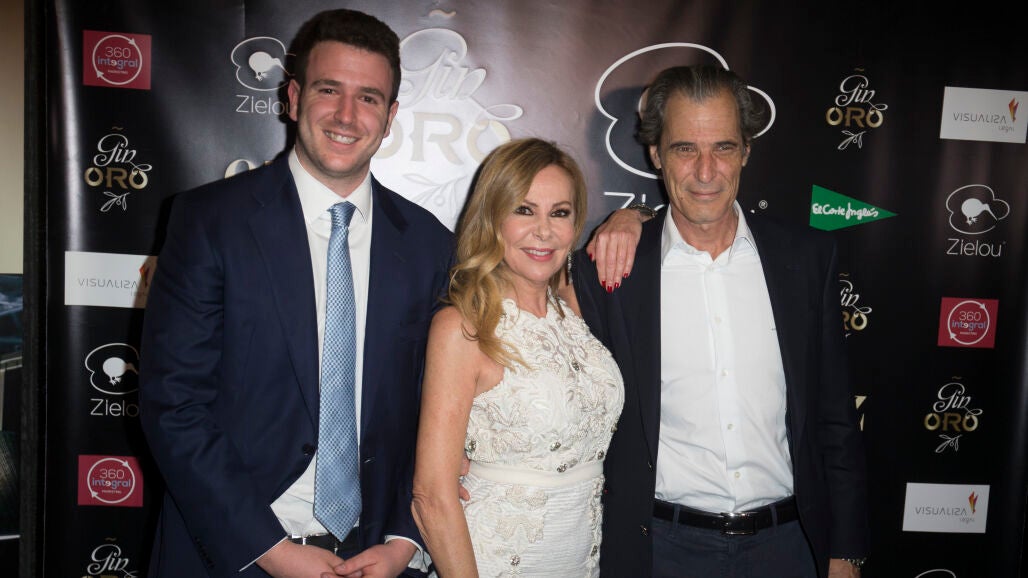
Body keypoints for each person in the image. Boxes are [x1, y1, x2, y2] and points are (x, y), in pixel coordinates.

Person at [139, 9, 453, 578]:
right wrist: (271, 551)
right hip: (235, 555)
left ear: (390, 117)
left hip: (377, 558)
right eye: (329, 90)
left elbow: (434, 412)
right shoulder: (209, 222)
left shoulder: (429, 243)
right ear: (292, 96)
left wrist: (405, 539)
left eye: (368, 98)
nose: (346, 115)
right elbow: (175, 405)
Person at [573, 65, 870, 577]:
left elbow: (835, 418)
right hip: (662, 551)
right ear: (656, 154)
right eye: (685, 148)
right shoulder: (612, 270)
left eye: (724, 148)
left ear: (746, 151)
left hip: (791, 548)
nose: (706, 171)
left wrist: (844, 550)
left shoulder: (805, 258)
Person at [411, 138, 625, 577]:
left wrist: (634, 214)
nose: (543, 231)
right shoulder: (463, 327)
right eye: (524, 210)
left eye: (559, 213)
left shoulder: (574, 309)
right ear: (492, 219)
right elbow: (432, 497)